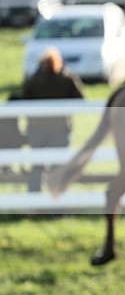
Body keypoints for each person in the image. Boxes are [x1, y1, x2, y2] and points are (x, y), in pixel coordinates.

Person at [21, 47, 84, 192]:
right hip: (60, 129)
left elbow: (24, 100)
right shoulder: (67, 78)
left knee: (36, 167)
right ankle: (57, 208)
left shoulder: (34, 79)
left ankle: (34, 205)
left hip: (37, 130)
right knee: (59, 166)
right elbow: (80, 99)